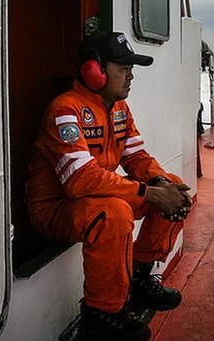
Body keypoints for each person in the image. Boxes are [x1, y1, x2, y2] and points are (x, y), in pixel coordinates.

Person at [26, 31, 193, 341]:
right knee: (114, 213)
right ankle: (101, 315)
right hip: (54, 209)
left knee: (176, 186)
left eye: (132, 70)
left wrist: (158, 183)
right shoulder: (66, 110)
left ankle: (141, 276)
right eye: (124, 69)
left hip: (96, 199)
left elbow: (137, 157)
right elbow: (80, 180)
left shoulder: (118, 109)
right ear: (95, 71)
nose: (131, 76)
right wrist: (149, 193)